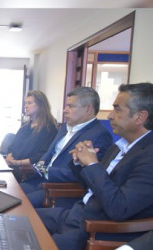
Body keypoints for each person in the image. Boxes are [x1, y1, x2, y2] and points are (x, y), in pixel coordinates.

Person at [36, 83, 153, 250]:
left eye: (117, 109)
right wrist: (80, 163)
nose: (110, 116)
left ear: (140, 117)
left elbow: (119, 208)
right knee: (21, 219)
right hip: (75, 215)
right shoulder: (118, 146)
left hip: (93, 229)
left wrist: (92, 164)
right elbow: (91, 186)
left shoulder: (149, 156)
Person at [20, 87, 113, 208]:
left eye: (71, 106)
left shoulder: (99, 135)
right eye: (66, 106)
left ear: (88, 109)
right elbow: (49, 153)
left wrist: (47, 171)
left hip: (58, 190)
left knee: (19, 205)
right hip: (39, 180)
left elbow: (83, 174)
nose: (65, 110)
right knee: (8, 194)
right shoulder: (64, 127)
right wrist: (41, 166)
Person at [5, 91, 58, 181]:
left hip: (28, 172)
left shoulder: (49, 128)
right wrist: (9, 156)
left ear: (40, 105)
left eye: (29, 103)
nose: (25, 106)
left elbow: (42, 155)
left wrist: (17, 163)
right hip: (13, 166)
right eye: (25, 103)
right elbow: (13, 146)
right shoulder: (25, 127)